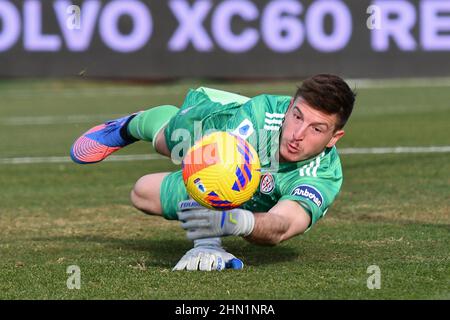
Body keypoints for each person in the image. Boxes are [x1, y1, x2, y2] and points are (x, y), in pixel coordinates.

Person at [70, 74, 356, 271]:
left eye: (316, 129)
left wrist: (236, 222)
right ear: (290, 107)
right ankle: (130, 124)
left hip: (245, 189)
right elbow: (212, 169)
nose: (297, 134)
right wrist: (208, 243)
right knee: (167, 144)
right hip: (214, 120)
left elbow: (282, 225)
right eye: (296, 116)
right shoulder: (262, 115)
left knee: (143, 191)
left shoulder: (323, 175)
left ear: (334, 137)